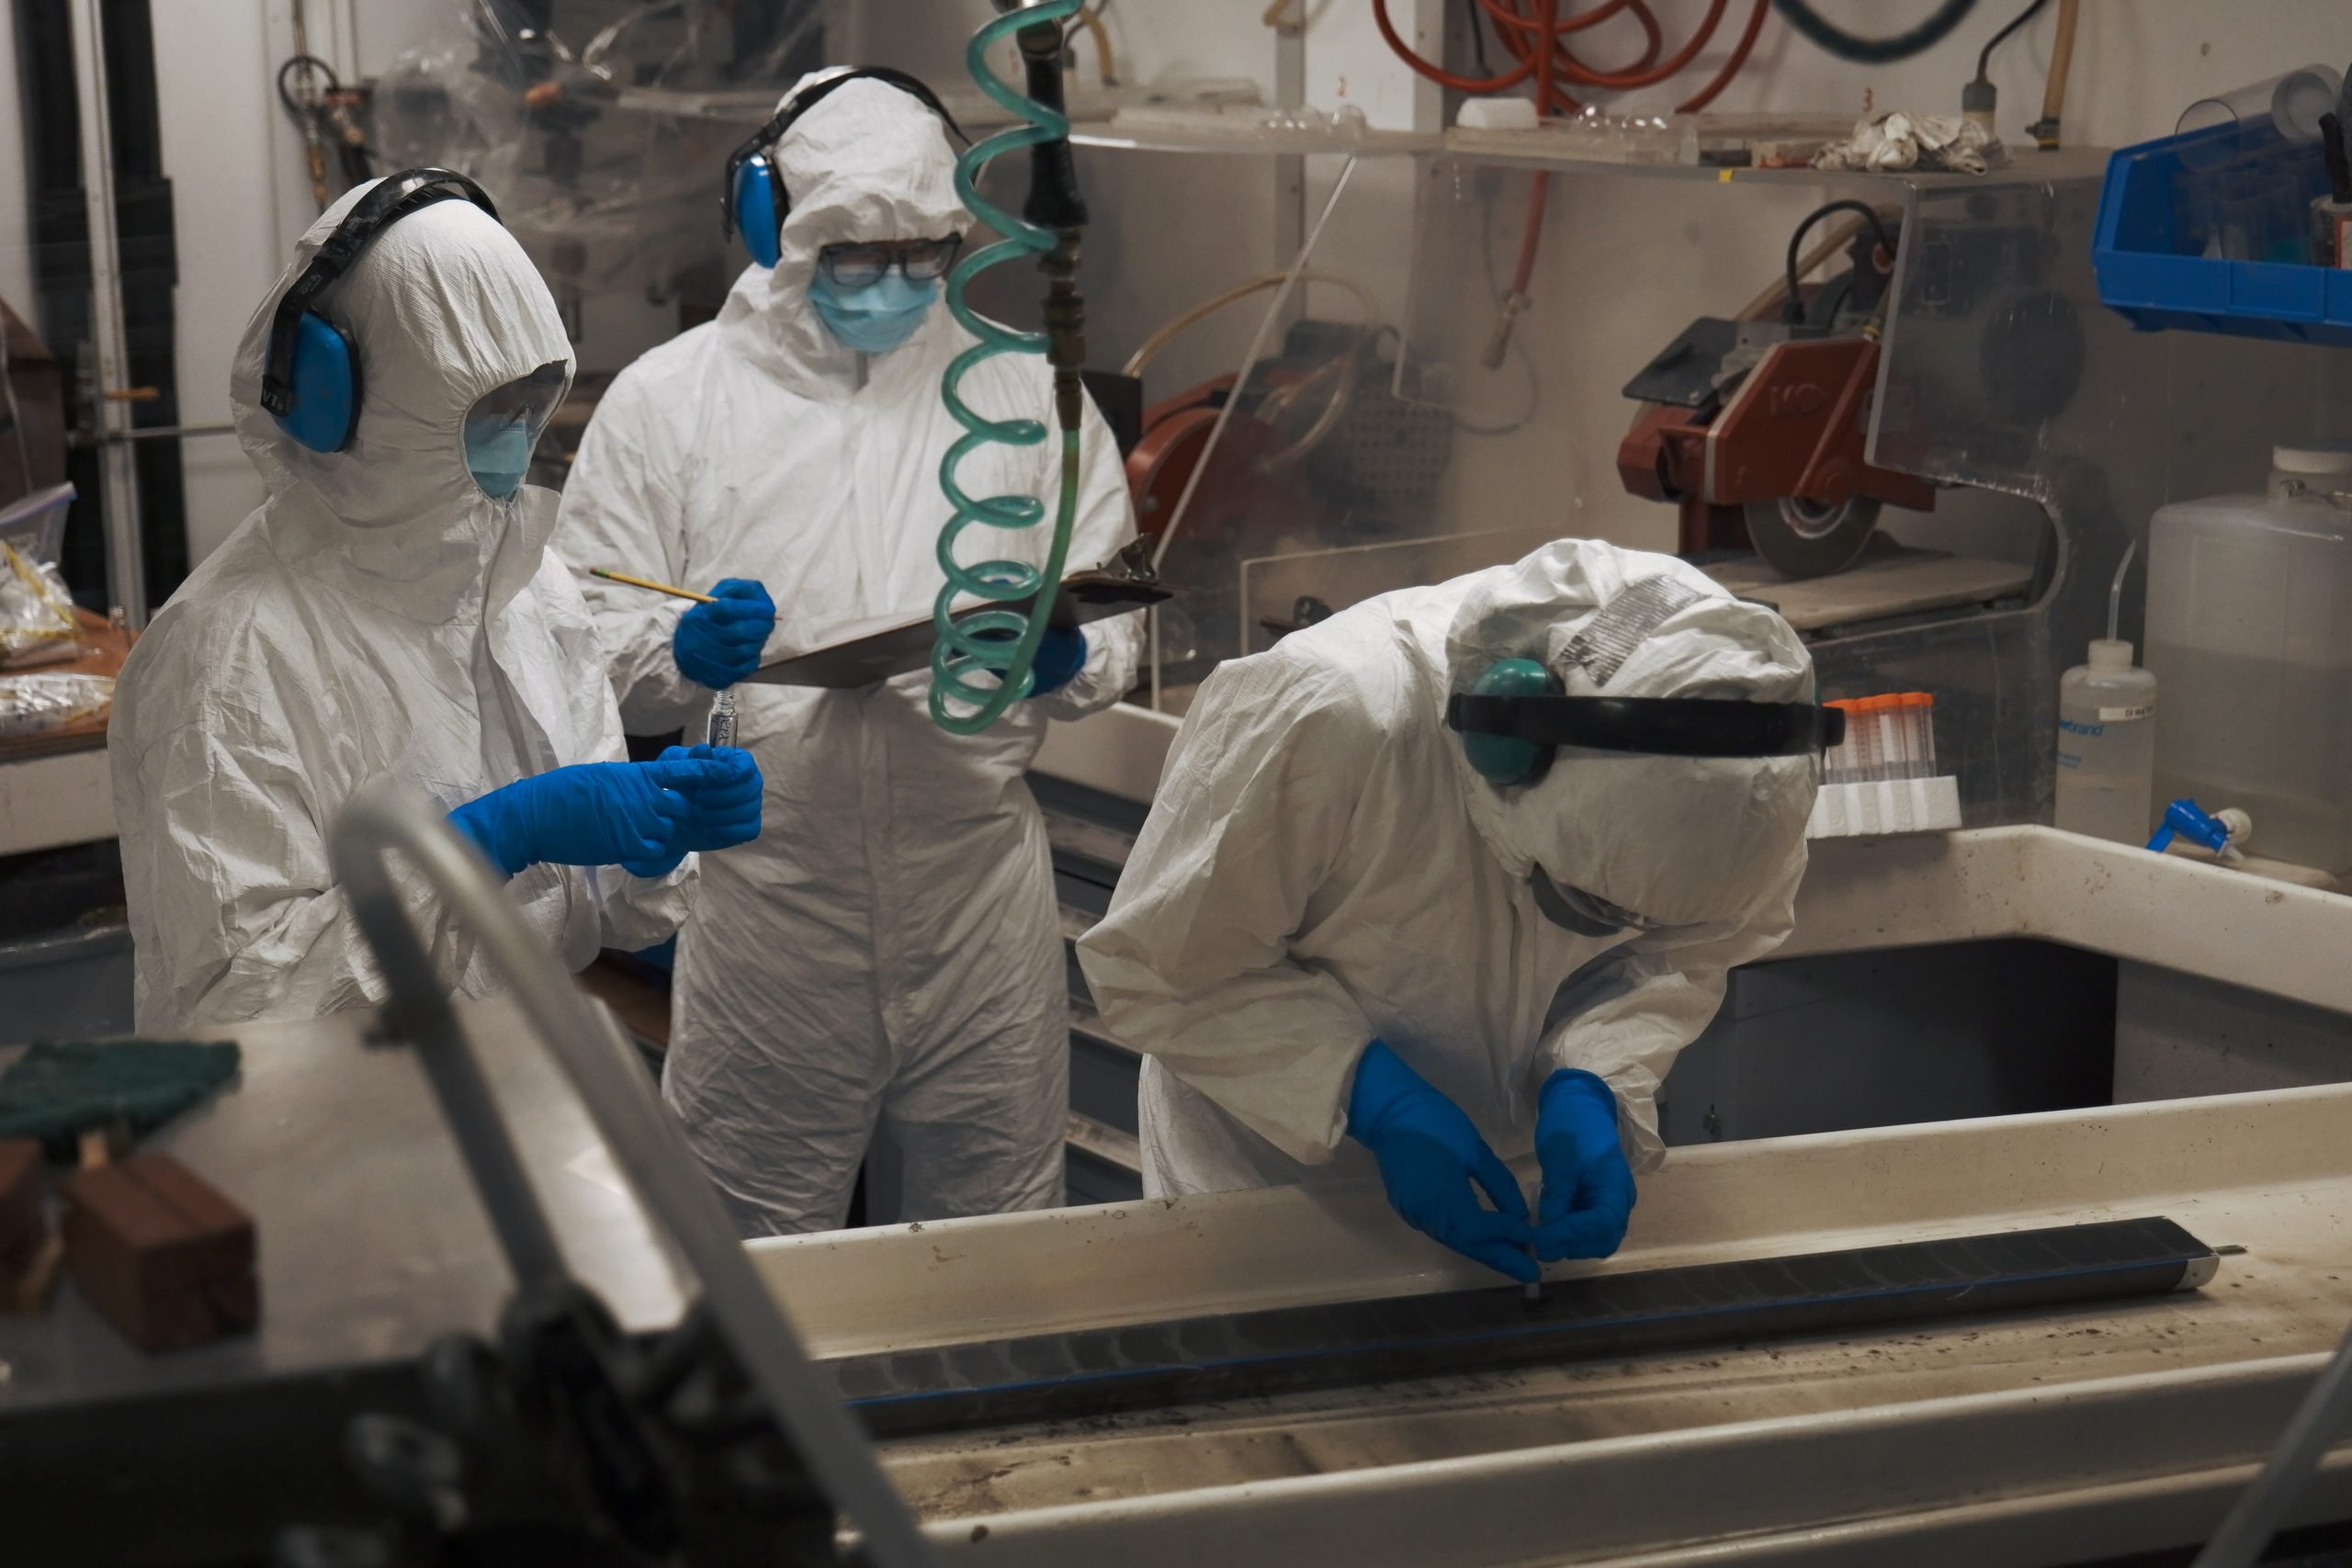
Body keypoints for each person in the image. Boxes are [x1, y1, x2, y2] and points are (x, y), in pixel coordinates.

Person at [558, 70, 1142, 1235]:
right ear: (777, 228)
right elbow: (580, 634)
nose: (893, 282)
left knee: (999, 1241)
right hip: (773, 904)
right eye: (857, 253)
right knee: (753, 1250)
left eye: (922, 254)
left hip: (977, 900)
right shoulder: (673, 404)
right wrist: (682, 648)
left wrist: (1061, 656)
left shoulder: (1028, 396)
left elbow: (1119, 609)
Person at [112, 171, 762, 1033]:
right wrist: (485, 844)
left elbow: (598, 906)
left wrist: (656, 833)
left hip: (507, 1068)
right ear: (346, 404)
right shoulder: (227, 653)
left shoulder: (524, 582)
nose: (518, 442)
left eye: (534, 405)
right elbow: (239, 1007)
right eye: (490, 410)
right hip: (324, 1114)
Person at [1077, 540, 1824, 1281]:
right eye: (1588, 900)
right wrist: (1373, 1097)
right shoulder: (1332, 707)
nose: (1605, 930)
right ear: (1504, 753)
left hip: (1518, 1188)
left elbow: (1684, 950)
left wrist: (1593, 1075)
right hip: (1268, 1179)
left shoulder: (1748, 769)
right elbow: (1164, 966)